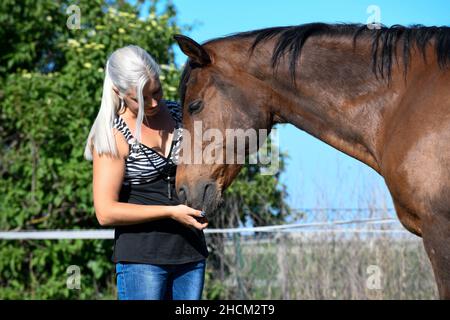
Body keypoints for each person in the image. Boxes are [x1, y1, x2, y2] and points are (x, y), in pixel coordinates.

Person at [84, 45, 209, 300]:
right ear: (118, 92)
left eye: (157, 92)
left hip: (191, 253)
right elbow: (105, 212)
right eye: (141, 98)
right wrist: (171, 212)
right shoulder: (113, 134)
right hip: (142, 260)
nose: (153, 103)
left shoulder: (178, 114)